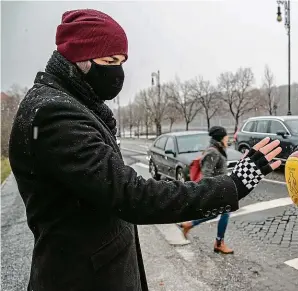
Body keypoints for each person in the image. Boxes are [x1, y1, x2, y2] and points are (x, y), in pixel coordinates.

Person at [8, 9, 282, 291]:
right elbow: (133, 196)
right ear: (80, 58)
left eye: (122, 61)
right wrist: (234, 184)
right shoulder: (55, 114)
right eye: (111, 60)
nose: (118, 72)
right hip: (83, 279)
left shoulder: (70, 104)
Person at [180, 126, 235, 254]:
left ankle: (190, 224)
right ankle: (219, 243)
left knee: (216, 213)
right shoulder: (214, 152)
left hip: (221, 187)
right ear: (221, 138)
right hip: (217, 189)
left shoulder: (218, 150)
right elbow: (206, 174)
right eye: (226, 136)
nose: (228, 138)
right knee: (225, 212)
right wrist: (212, 191)